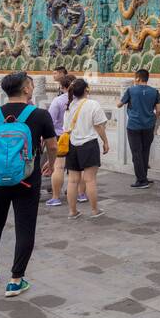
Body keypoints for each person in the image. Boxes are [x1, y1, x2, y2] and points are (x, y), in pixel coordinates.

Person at [0, 72, 57, 296]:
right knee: (25, 228)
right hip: (27, 180)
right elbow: (53, 146)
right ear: (27, 89)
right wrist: (50, 163)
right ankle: (16, 279)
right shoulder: (39, 115)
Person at [64, 78, 109, 219]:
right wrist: (105, 142)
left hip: (72, 145)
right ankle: (95, 210)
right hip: (88, 144)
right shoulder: (92, 104)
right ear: (86, 90)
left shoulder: (70, 106)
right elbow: (99, 126)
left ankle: (72, 211)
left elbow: (66, 128)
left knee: (72, 180)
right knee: (90, 179)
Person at [119, 69, 160, 189]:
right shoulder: (154, 92)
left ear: (137, 78)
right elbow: (158, 110)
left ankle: (141, 180)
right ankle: (144, 177)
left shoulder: (131, 90)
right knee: (145, 151)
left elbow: (119, 104)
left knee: (136, 153)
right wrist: (153, 120)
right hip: (148, 125)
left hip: (134, 125)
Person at [45, 76, 71, 207]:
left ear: (63, 86)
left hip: (60, 136)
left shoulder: (58, 101)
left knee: (58, 167)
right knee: (76, 168)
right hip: (76, 136)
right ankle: (78, 193)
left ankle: (56, 197)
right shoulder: (83, 101)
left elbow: (50, 120)